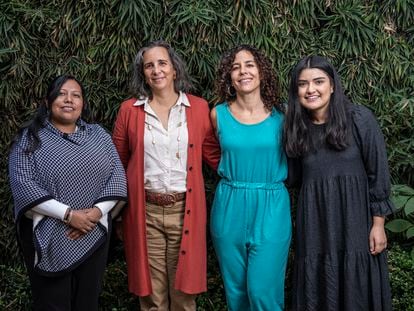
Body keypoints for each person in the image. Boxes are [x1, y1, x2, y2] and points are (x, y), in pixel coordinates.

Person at [112, 40, 220, 310]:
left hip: (186, 210)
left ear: (174, 70)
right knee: (151, 297)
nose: (156, 70)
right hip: (144, 211)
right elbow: (116, 163)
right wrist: (112, 212)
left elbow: (215, 156)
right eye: (149, 65)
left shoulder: (198, 108)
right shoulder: (130, 110)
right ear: (143, 74)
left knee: (184, 295)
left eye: (162, 63)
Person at [8, 75, 127, 311]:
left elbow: (118, 177)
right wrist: (69, 215)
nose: (69, 100)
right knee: (53, 304)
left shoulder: (99, 136)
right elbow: (23, 184)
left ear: (83, 103)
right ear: (48, 101)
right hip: (47, 232)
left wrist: (95, 213)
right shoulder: (30, 139)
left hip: (93, 230)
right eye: (62, 94)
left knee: (87, 303)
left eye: (76, 95)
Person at [284, 55, 394, 310]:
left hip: (355, 223)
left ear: (332, 85)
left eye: (319, 81)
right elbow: (292, 178)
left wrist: (378, 224)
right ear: (296, 90)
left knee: (357, 286)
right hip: (315, 226)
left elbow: (378, 173)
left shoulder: (359, 119)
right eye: (303, 84)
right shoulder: (296, 129)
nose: (311, 89)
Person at [209, 44, 292, 311]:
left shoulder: (284, 115)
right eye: (235, 67)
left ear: (262, 72)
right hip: (229, 204)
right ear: (229, 77)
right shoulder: (217, 114)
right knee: (236, 292)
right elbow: (210, 153)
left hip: (271, 205)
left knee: (262, 291)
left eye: (249, 65)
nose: (243, 71)